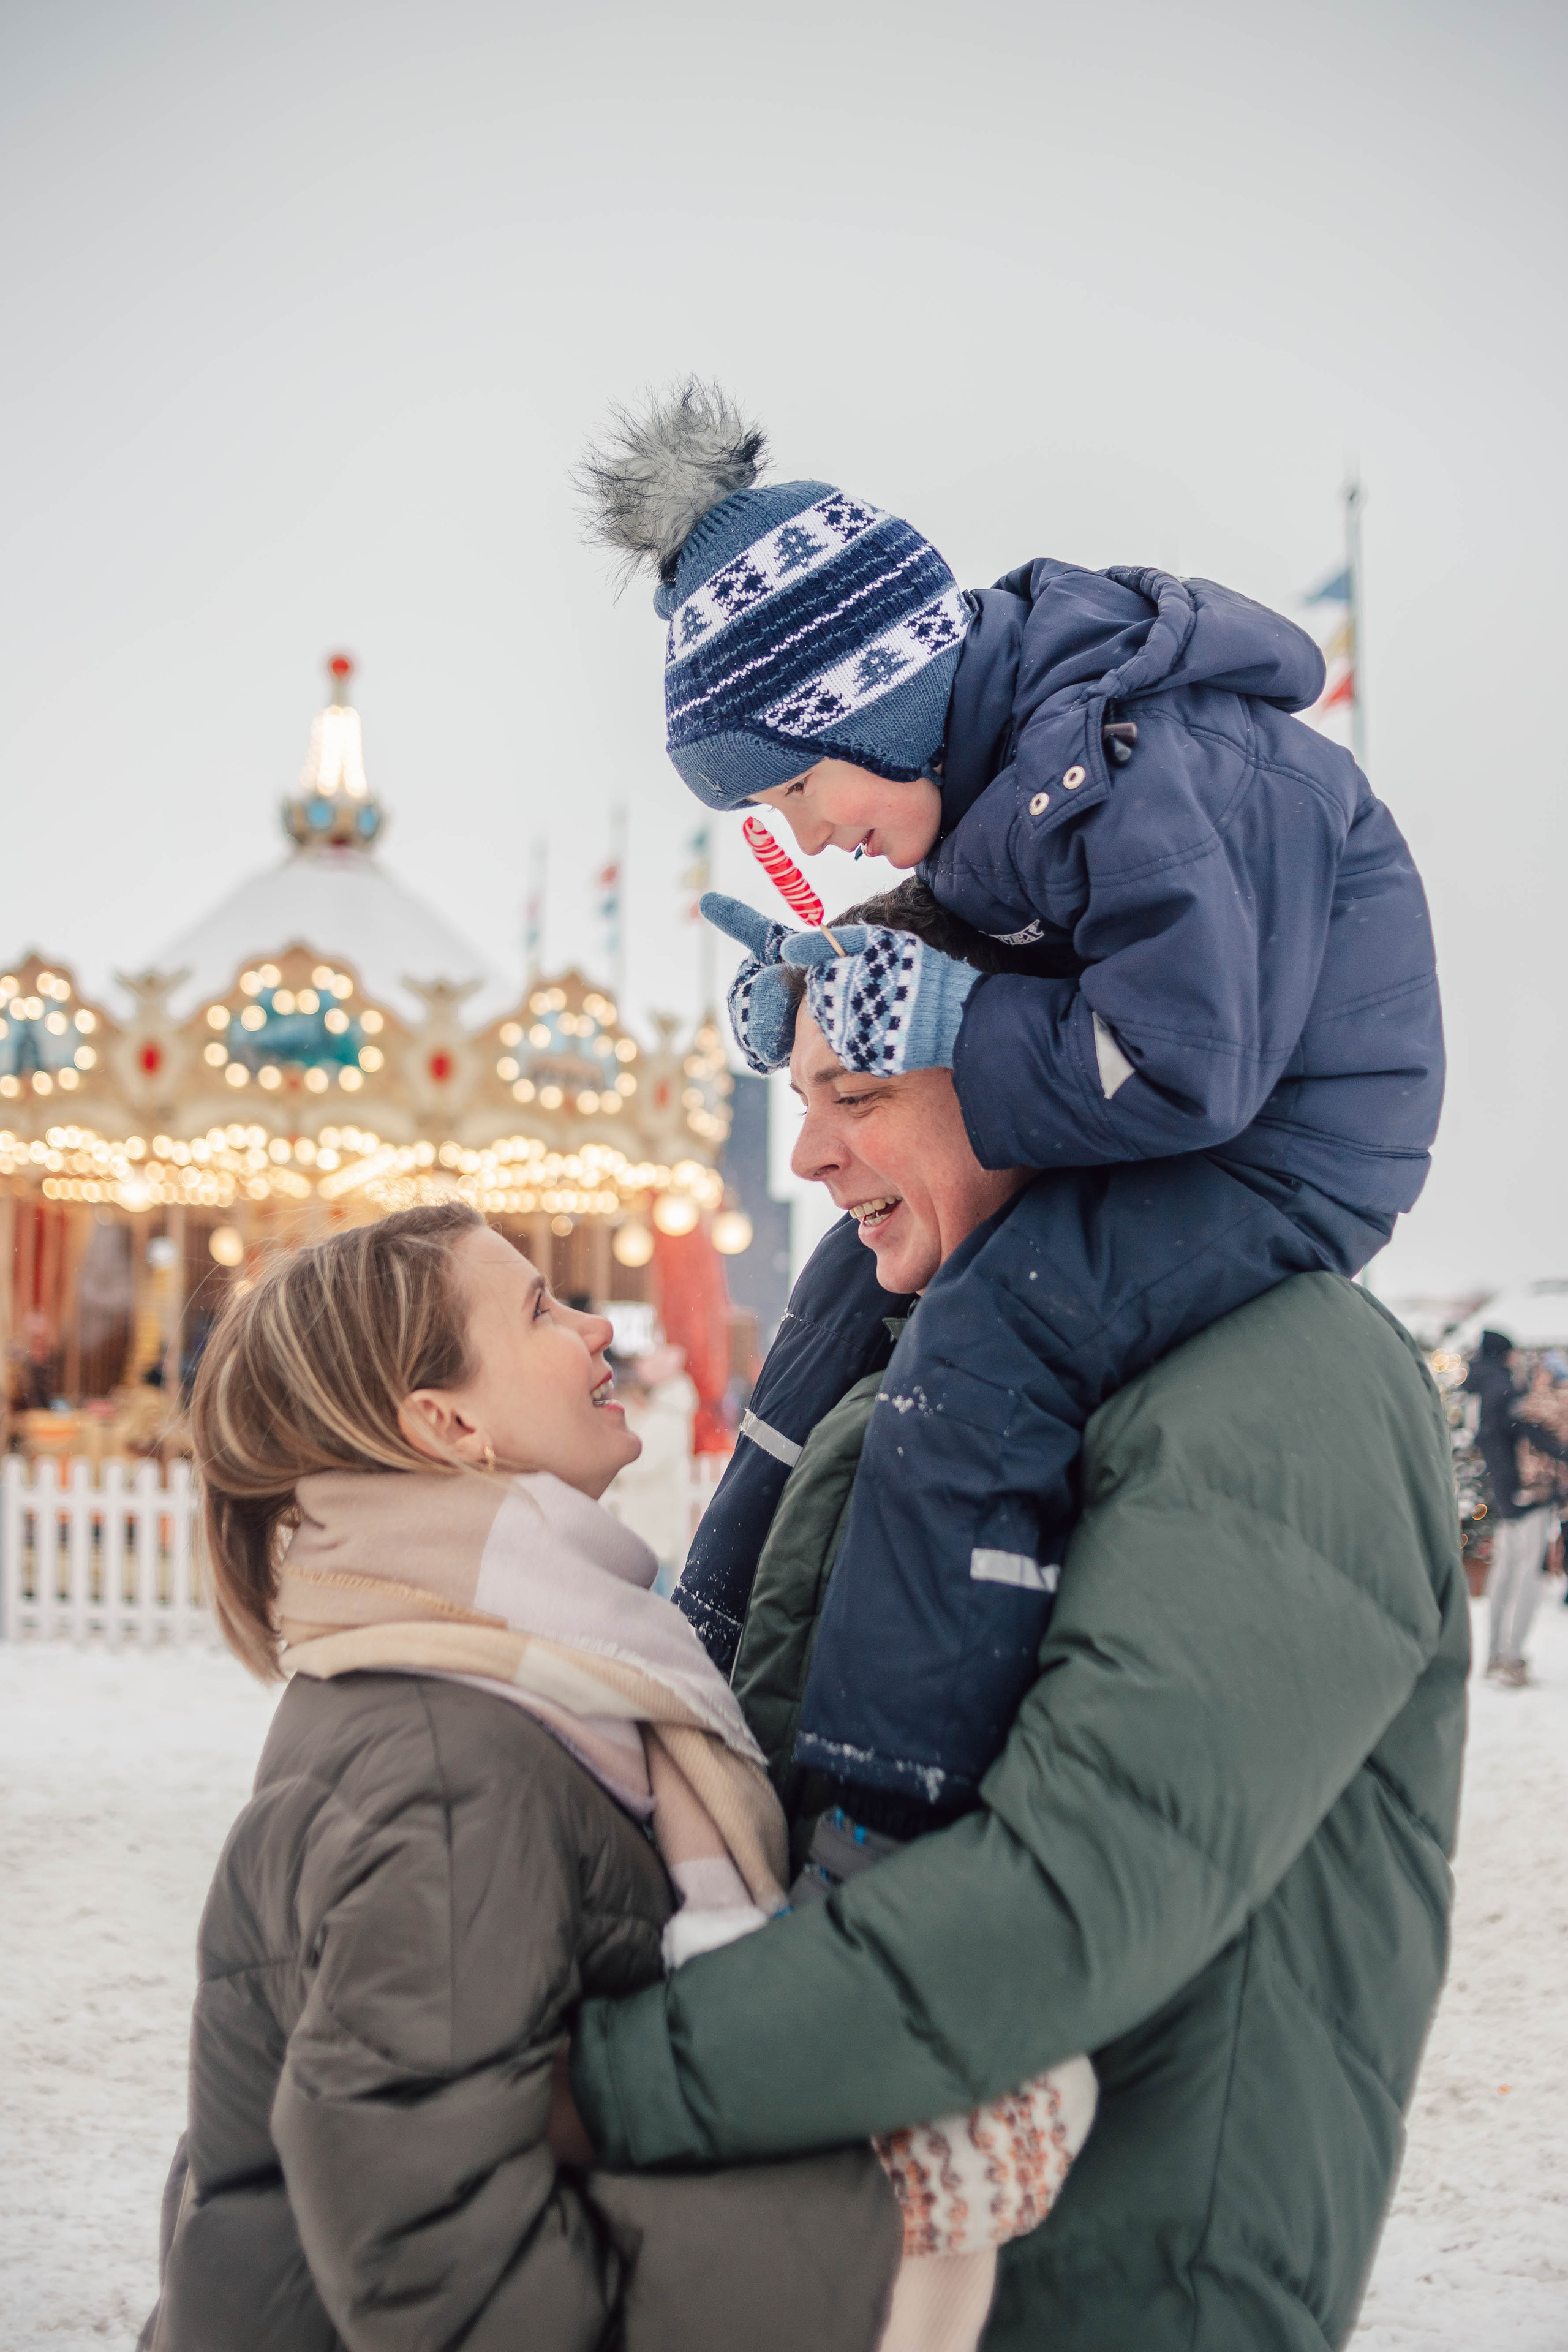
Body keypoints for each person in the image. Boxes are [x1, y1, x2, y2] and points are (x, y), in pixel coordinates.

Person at [578, 381, 1444, 1836]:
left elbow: (1183, 1055)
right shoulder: (1012, 776)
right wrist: (819, 986)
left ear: (874, 694)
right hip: (1170, 1115)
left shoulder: (1124, 759)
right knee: (842, 1280)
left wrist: (947, 1018)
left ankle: (876, 1804)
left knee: (991, 1336)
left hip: (1272, 1147)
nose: (799, 831)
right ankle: (707, 1651)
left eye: (795, 782)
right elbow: (970, 939)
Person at [558, 979, 1469, 2352]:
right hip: (897, 2240)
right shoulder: (940, 1359)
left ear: (1038, 1084)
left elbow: (1067, 1896)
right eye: (800, 1103)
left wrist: (592, 2084)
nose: (808, 1156)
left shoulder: (1282, 1374)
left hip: (1123, 2275)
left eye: (856, 1098)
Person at [137, 1204, 908, 2352]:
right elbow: (438, 2275)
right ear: (446, 1423)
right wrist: (878, 2214)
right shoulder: (455, 1767)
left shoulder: (498, 1677)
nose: (599, 1329)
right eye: (542, 1311)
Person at [1464, 1326, 1568, 1684]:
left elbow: (1487, 1438)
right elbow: (1525, 1429)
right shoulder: (1504, 1386)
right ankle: (1510, 1657)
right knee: (1525, 1574)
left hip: (1503, 1492)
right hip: (1527, 1492)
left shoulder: (1479, 1383)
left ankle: (1497, 1654)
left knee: (1506, 1570)